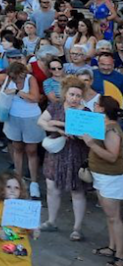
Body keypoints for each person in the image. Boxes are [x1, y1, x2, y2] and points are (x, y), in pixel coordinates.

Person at [36, 78, 89, 241]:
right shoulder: (56, 106)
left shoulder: (85, 111)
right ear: (65, 93)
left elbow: (89, 135)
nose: (74, 98)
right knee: (52, 188)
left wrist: (73, 133)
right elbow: (41, 121)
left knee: (77, 191)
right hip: (56, 152)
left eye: (78, 95)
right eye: (72, 94)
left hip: (76, 154)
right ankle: (51, 221)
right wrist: (58, 128)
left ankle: (77, 228)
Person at [0, 61, 43, 196]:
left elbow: (35, 98)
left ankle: (34, 182)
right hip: (13, 117)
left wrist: (17, 92)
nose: (15, 80)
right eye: (13, 77)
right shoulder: (7, 78)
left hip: (30, 117)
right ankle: (19, 178)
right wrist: (2, 91)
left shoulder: (30, 79)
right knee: (17, 148)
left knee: (32, 150)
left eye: (17, 77)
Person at [83, 95, 123, 266]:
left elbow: (112, 156)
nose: (94, 107)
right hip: (101, 176)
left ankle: (120, 255)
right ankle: (112, 247)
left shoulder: (112, 130)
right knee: (109, 216)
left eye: (96, 105)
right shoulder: (103, 126)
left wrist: (91, 144)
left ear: (101, 108)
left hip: (110, 177)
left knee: (115, 217)